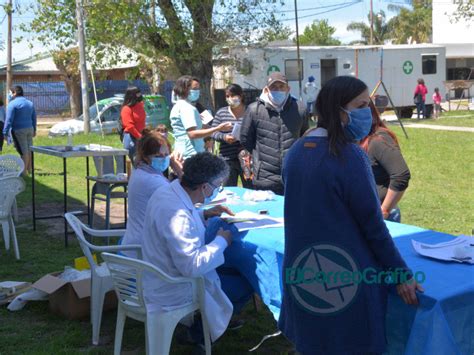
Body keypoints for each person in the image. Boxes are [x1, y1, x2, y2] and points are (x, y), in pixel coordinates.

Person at [279, 76, 423, 355]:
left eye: (368, 105)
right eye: (360, 105)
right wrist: (401, 272)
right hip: (345, 279)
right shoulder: (349, 157)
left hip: (302, 272)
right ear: (338, 110)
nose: (367, 112)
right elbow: (374, 227)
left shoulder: (297, 151)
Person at [142, 152, 253, 350]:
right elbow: (191, 267)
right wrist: (222, 241)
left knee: (229, 271)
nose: (216, 191)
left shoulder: (168, 192)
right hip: (174, 286)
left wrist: (204, 213)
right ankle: (200, 334)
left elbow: (181, 222)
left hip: (159, 272)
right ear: (204, 187)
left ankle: (200, 329)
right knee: (246, 283)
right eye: (216, 187)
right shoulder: (178, 215)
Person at [240, 72, 308, 195]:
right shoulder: (254, 109)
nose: (278, 90)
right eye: (273, 87)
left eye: (281, 87)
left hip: (293, 175)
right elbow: (245, 139)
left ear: (288, 88)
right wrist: (260, 157)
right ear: (266, 89)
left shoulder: (300, 108)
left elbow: (304, 137)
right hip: (265, 178)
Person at [120, 128, 183, 258]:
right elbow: (185, 200)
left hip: (133, 241)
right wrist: (178, 170)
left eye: (167, 155)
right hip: (144, 252)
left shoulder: (140, 171)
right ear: (145, 157)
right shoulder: (153, 181)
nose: (164, 159)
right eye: (158, 156)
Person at [359, 101, 411, 223]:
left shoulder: (378, 139)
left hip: (380, 216)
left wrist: (384, 210)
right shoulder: (355, 138)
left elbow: (401, 175)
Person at [170, 76, 231, 160]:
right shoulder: (187, 108)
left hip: (181, 150)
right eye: (194, 88)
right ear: (184, 89)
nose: (197, 91)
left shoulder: (178, 106)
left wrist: (217, 129)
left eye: (198, 88)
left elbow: (199, 127)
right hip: (191, 153)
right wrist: (217, 128)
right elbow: (192, 133)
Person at [211, 84, 252, 188]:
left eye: (233, 95)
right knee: (228, 191)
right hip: (227, 158)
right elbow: (213, 132)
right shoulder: (221, 113)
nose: (230, 99)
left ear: (241, 96)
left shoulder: (251, 112)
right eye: (227, 96)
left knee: (250, 188)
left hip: (247, 159)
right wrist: (224, 137)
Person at [3, 86, 37, 175]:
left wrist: (4, 132)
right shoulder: (30, 103)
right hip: (30, 128)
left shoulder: (12, 104)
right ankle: (30, 169)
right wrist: (34, 129)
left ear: (14, 93)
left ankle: (23, 172)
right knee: (30, 149)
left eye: (10, 93)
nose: (9, 95)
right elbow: (34, 117)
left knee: (23, 151)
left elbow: (9, 120)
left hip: (19, 130)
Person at [120, 86, 146, 164]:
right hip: (131, 137)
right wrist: (140, 137)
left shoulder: (140, 106)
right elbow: (130, 126)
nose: (140, 95)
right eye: (137, 93)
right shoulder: (126, 109)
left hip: (141, 137)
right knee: (137, 162)